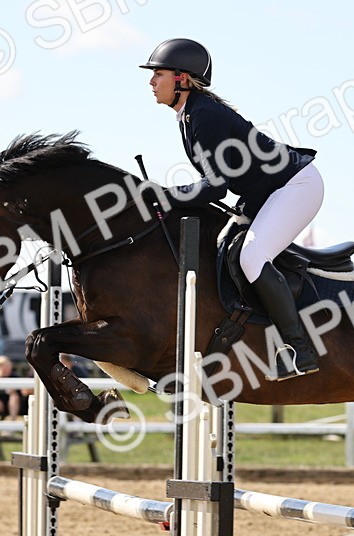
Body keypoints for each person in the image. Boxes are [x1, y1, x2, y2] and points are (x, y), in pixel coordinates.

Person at [141, 38, 323, 381]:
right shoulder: (190, 114)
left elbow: (215, 186)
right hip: (266, 193)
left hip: (296, 186)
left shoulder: (203, 115)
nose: (151, 81)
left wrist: (165, 195)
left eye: (158, 74)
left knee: (252, 256)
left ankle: (299, 349)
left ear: (181, 79)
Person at [0, 355, 29, 421]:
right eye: (4, 366)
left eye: (8, 365)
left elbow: (22, 392)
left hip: (13, 403)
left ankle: (12, 423)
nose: (7, 368)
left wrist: (13, 390)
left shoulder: (15, 376)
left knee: (14, 396)